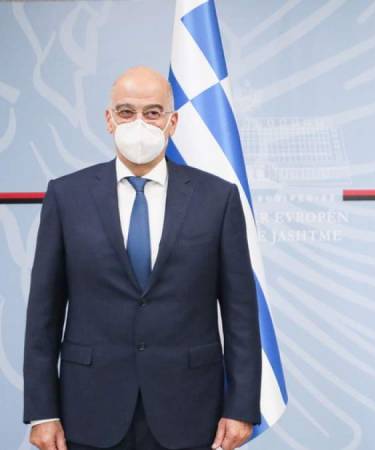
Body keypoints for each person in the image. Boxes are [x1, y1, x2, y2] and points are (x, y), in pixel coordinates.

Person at [23, 66, 261, 450]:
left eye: (152, 112)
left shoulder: (218, 198)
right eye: (126, 111)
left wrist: (241, 407)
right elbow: (43, 314)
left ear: (172, 122)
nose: (139, 123)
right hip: (88, 410)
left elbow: (241, 315)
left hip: (190, 410)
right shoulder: (67, 196)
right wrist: (42, 411)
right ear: (109, 119)